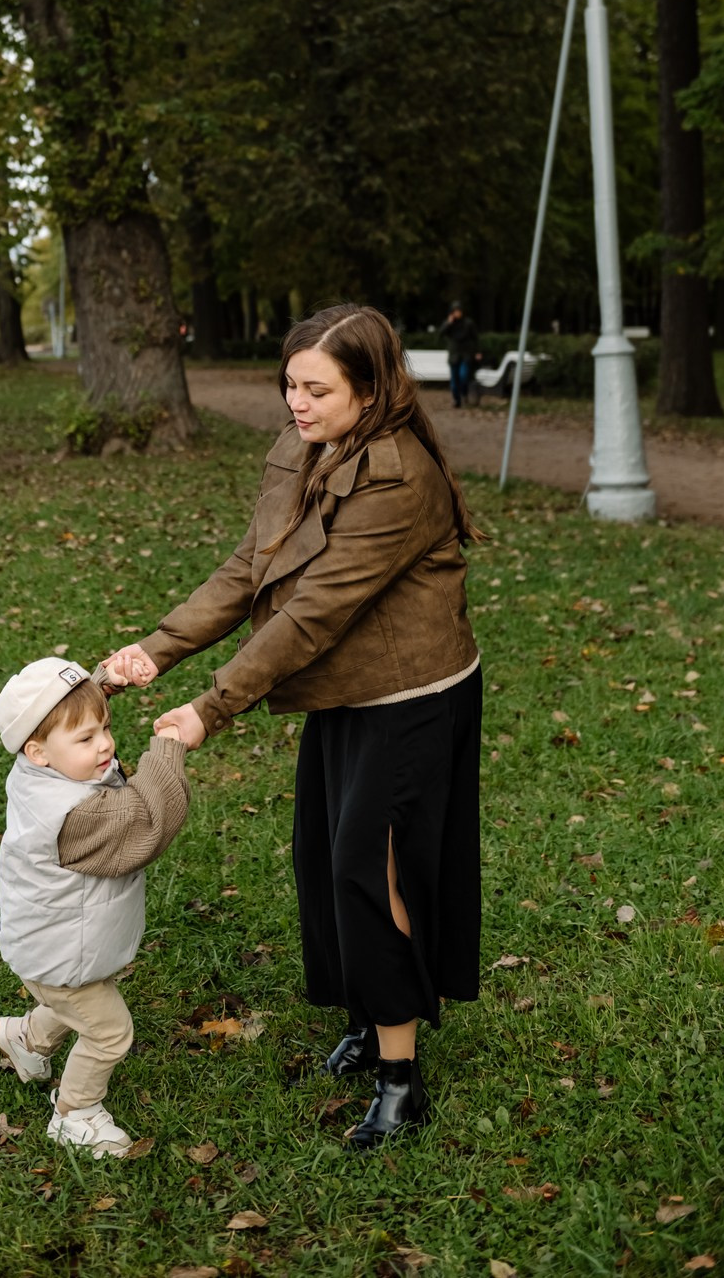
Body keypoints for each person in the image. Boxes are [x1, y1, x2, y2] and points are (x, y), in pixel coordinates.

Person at [105, 303, 483, 1150]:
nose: (297, 403)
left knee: (369, 872)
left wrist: (211, 707)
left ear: (372, 387)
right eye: (289, 385)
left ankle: (401, 1079)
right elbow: (253, 566)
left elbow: (314, 612)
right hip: (345, 692)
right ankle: (365, 1017)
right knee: (323, 858)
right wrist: (157, 651)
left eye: (317, 389)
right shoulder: (303, 446)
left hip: (408, 697)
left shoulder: (398, 476)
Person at [0, 656, 189, 1158]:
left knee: (76, 999)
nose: (104, 744)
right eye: (85, 739)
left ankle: (26, 1039)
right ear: (38, 751)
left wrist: (101, 684)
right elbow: (146, 819)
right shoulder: (75, 815)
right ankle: (75, 1114)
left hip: (54, 947)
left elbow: (62, 714)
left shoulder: (38, 770)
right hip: (62, 956)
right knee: (109, 1033)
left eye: (104, 727)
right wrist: (167, 751)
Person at [439, 301, 480, 408]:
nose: (457, 313)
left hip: (465, 355)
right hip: (454, 356)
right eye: (455, 311)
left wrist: (477, 352)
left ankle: (464, 394)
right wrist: (448, 323)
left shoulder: (468, 323)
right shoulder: (449, 324)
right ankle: (457, 401)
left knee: (463, 377)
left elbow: (475, 338)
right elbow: (440, 333)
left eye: (459, 311)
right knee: (454, 382)